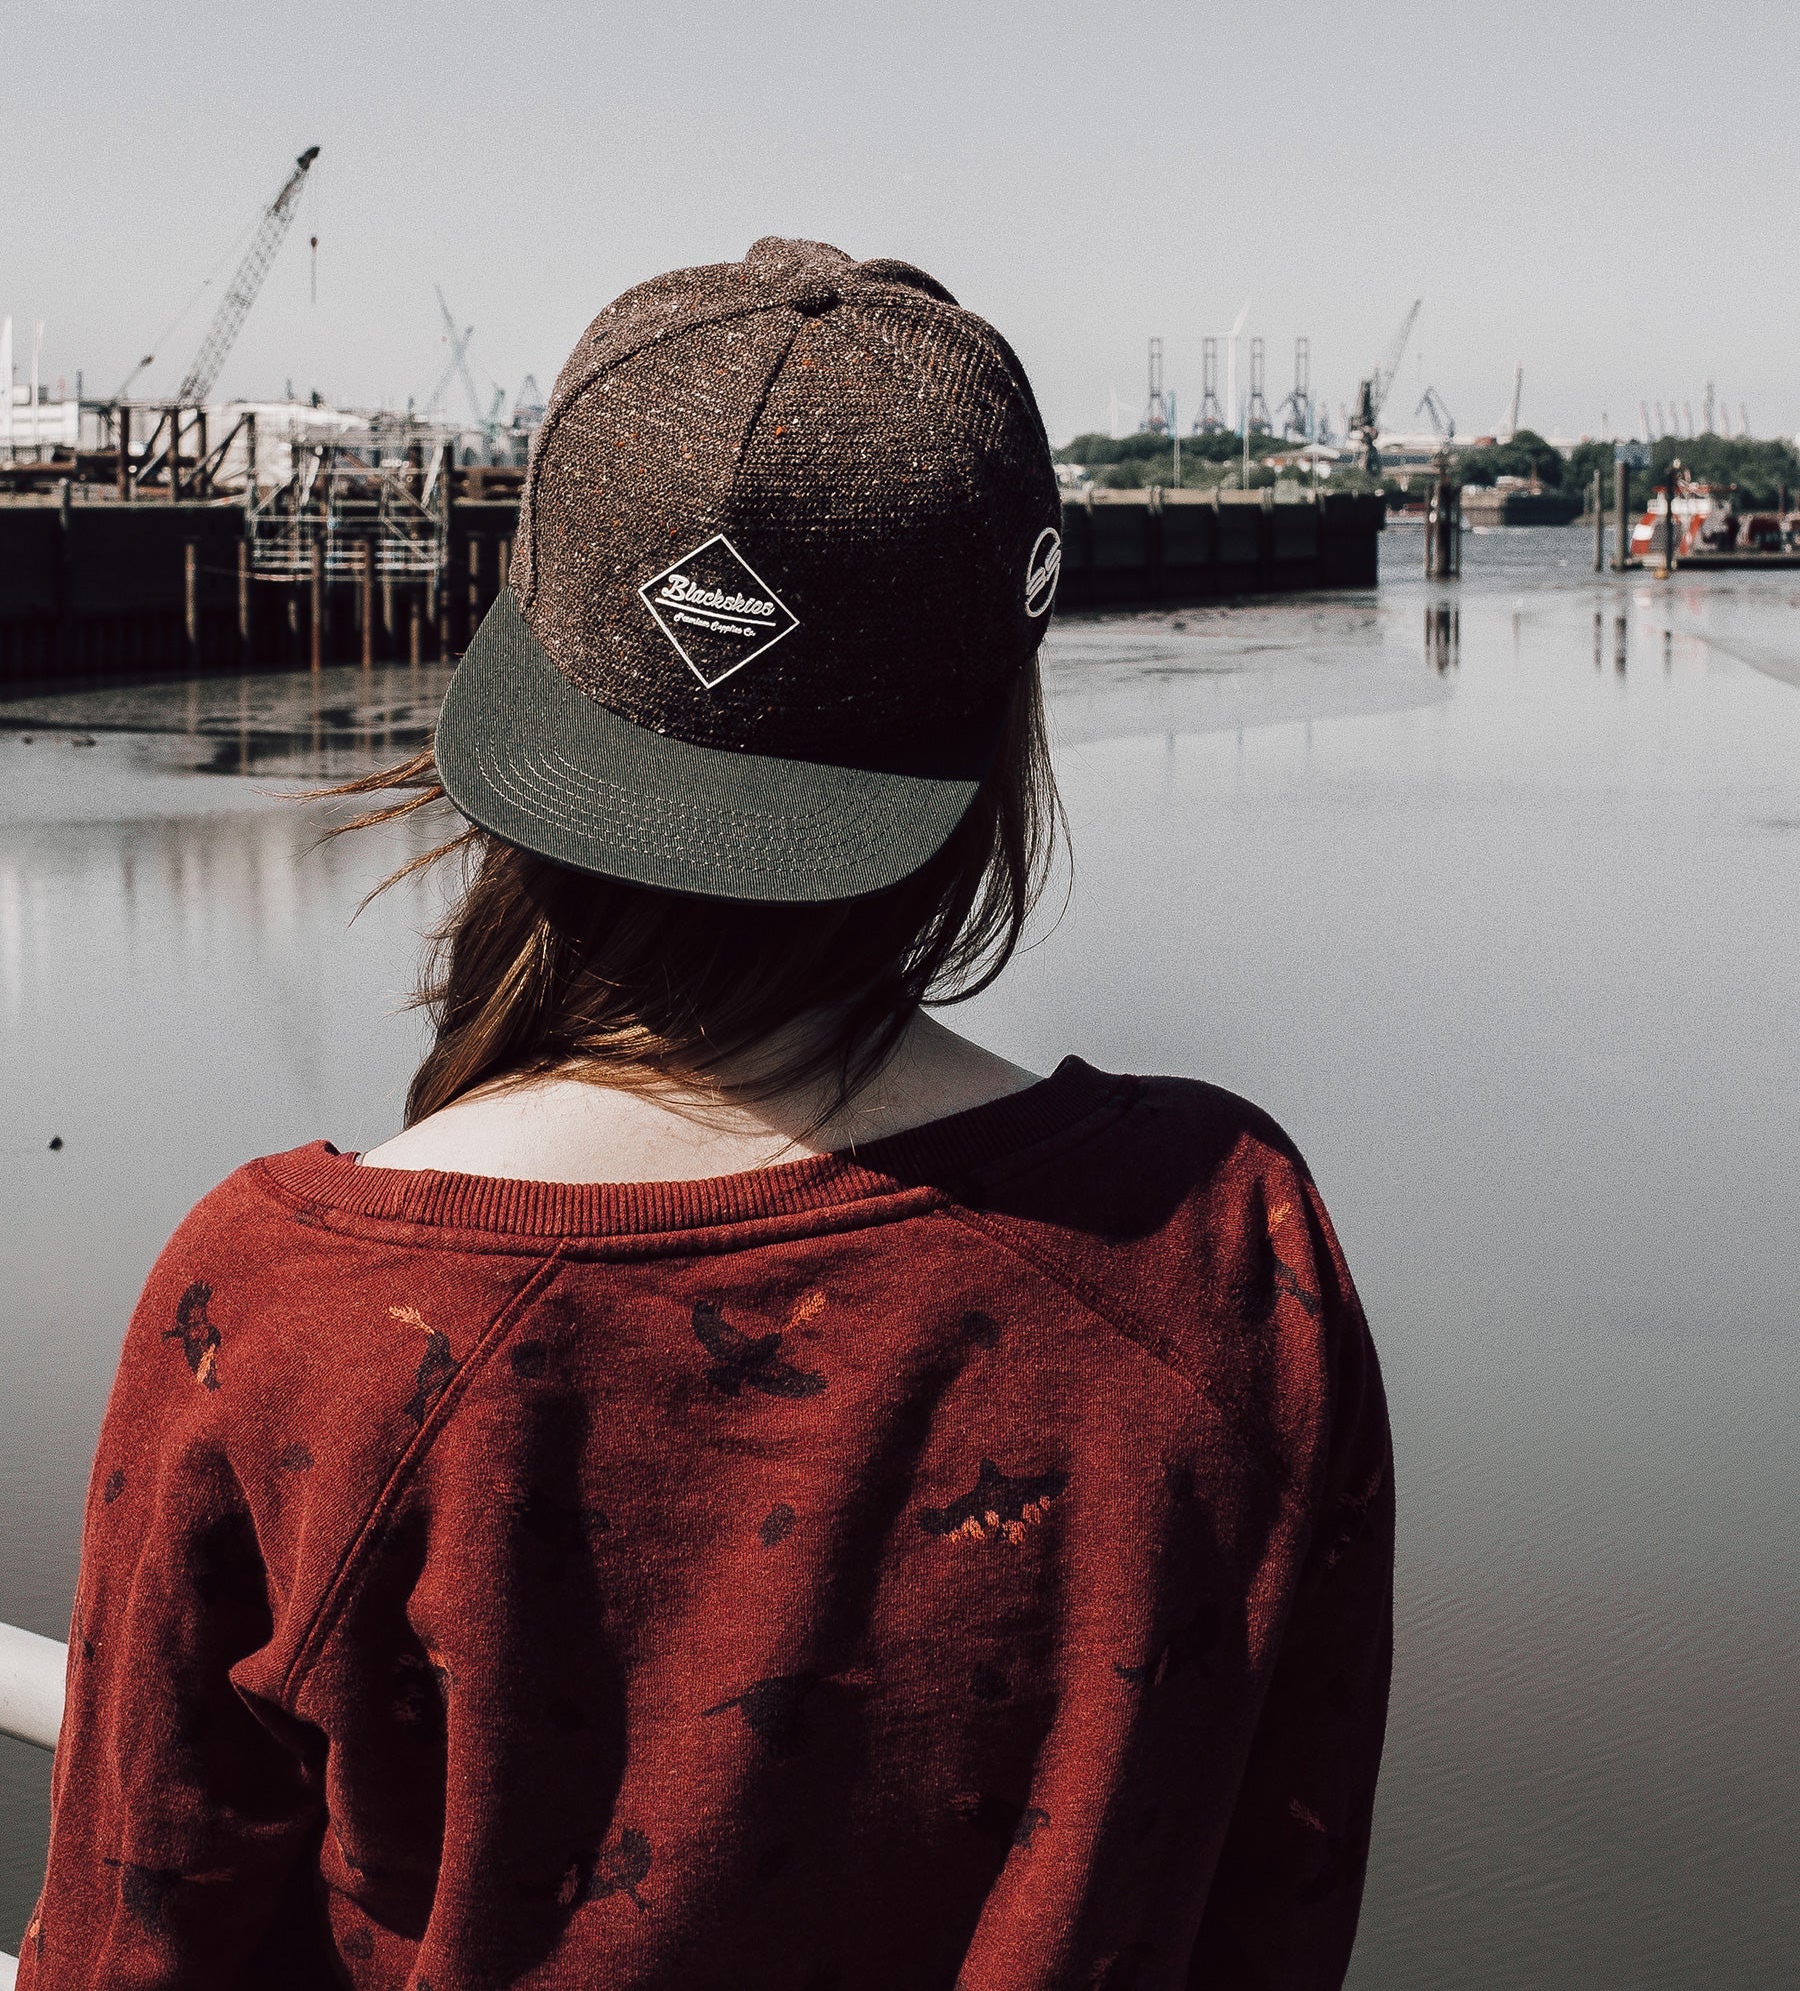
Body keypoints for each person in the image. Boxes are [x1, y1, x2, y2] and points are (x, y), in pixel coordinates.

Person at [25, 238, 1393, 1989]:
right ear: (1002, 713)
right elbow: (1275, 1920)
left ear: (523, 672)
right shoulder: (1222, 1250)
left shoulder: (284, 1315)